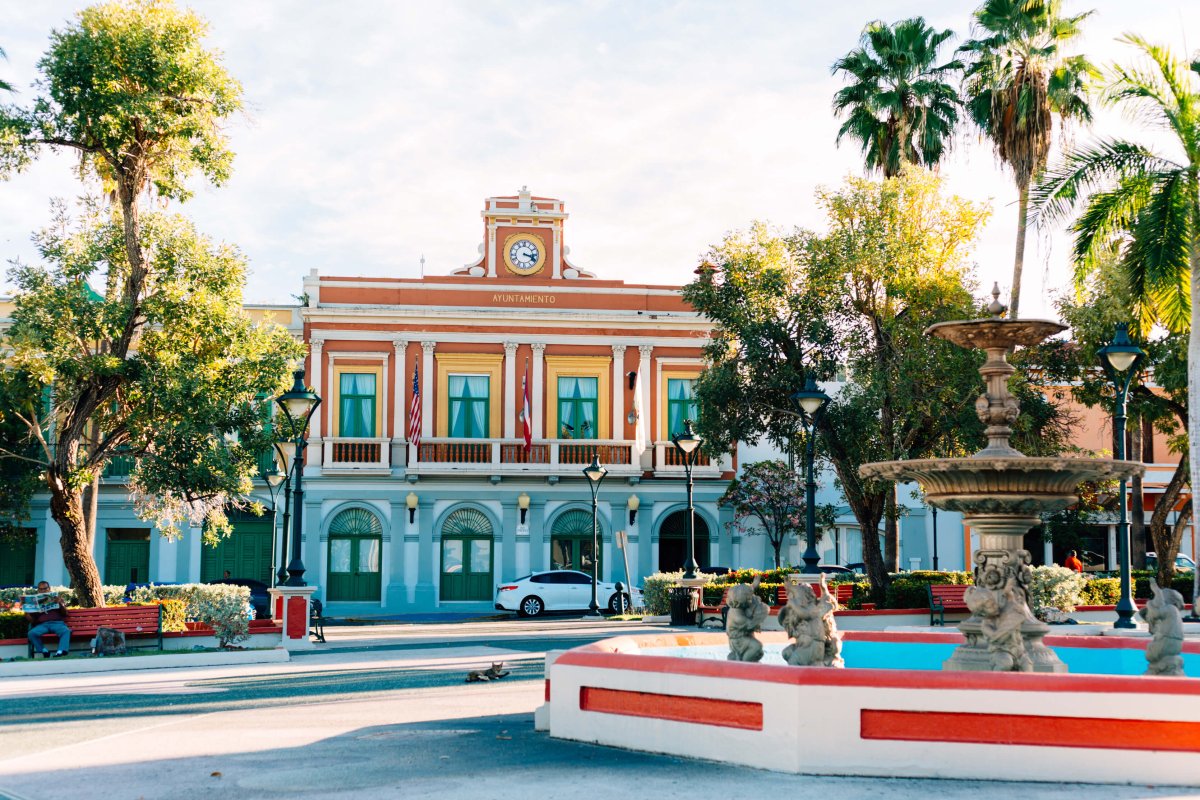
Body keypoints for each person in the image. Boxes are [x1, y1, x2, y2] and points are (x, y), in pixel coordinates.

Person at [25, 581, 71, 658]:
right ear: (38, 590)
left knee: (65, 631)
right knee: (31, 633)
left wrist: (59, 603)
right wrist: (27, 613)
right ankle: (44, 651)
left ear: (49, 589)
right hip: (42, 625)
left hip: (57, 623)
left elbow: (65, 614)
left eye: (45, 588)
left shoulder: (57, 598)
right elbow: (32, 621)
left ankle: (60, 652)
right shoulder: (35, 601)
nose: (43, 591)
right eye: (40, 589)